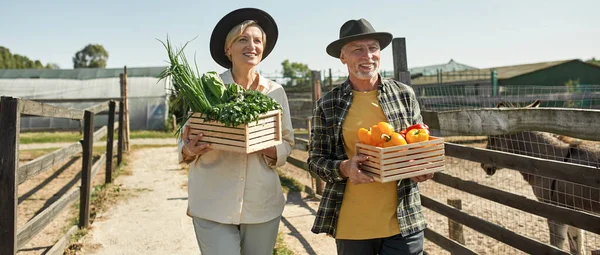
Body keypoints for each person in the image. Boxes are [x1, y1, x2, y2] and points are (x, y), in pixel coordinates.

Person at [307, 18, 433, 255]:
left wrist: (423, 168)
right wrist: (344, 168)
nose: (368, 56)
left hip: (404, 219)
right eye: (358, 50)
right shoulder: (328, 103)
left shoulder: (404, 95)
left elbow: (421, 147)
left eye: (373, 48)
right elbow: (315, 162)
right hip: (352, 224)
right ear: (343, 57)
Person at [177, 8, 294, 255]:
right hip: (212, 202)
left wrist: (266, 146)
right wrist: (188, 149)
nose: (251, 45)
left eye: (257, 40)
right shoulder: (206, 88)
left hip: (261, 203)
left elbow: (287, 142)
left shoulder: (275, 92)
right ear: (228, 49)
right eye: (242, 39)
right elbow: (185, 139)